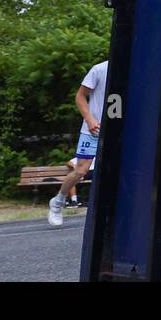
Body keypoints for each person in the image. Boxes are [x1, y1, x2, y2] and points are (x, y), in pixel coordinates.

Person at [48, 60, 107, 227]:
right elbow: (80, 96)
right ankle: (58, 202)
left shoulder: (133, 71)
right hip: (93, 129)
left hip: (116, 130)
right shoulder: (99, 69)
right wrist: (89, 120)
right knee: (81, 169)